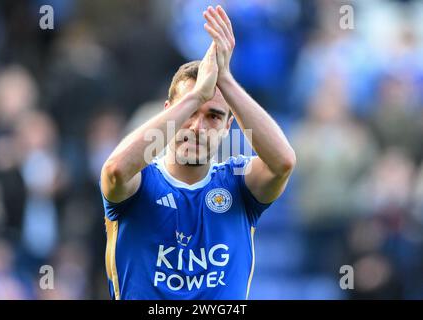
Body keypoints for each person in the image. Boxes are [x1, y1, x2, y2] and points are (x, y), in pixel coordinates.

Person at [100, 5, 296, 300]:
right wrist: (196, 96)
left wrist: (225, 80)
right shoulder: (139, 182)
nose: (196, 126)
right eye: (190, 112)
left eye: (213, 116)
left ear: (229, 126)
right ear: (170, 113)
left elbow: (283, 162)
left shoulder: (239, 183)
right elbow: (115, 170)